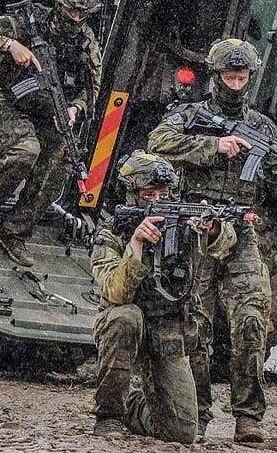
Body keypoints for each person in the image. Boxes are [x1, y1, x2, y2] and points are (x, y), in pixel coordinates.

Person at [147, 38, 277, 443]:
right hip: (197, 228)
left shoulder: (262, 127)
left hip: (241, 230)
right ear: (215, 76)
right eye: (229, 77)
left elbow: (276, 174)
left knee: (253, 319)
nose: (235, 85)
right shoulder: (189, 115)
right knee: (195, 328)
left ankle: (248, 417)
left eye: (241, 78)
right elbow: (157, 143)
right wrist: (213, 146)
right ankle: (198, 413)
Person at [0, 0, 103, 267]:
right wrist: (9, 45)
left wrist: (75, 108)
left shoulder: (86, 43)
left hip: (47, 107)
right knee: (25, 151)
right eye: (71, 11)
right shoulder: (26, 21)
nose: (76, 18)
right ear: (58, 2)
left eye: (82, 14)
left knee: (60, 166)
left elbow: (92, 87)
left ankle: (14, 232)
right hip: (5, 97)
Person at [90, 150, 237, 443]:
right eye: (149, 195)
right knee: (124, 318)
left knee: (181, 433)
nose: (158, 201)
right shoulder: (111, 234)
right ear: (131, 195)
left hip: (168, 328)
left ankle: (134, 406)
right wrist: (136, 244)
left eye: (164, 194)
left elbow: (227, 244)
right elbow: (115, 292)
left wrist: (212, 229)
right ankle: (109, 415)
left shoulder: (183, 224)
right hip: (128, 326)